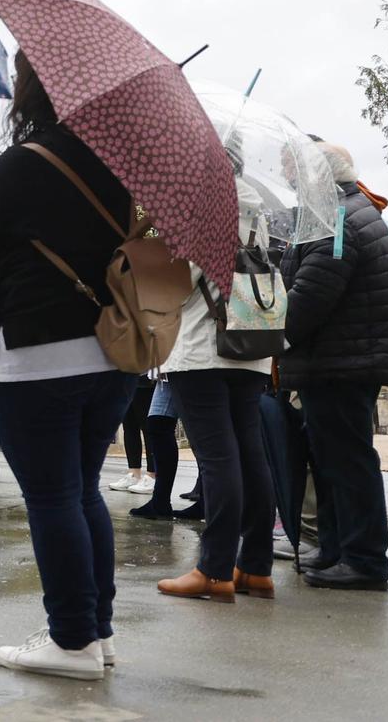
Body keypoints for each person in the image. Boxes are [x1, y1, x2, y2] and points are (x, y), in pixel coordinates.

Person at [0, 52, 137, 683]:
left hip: (35, 352)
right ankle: (95, 633)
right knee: (82, 491)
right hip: (111, 353)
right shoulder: (122, 167)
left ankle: (71, 639)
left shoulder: (28, 161)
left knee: (53, 497)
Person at [280, 142, 388, 592]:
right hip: (343, 358)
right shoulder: (347, 212)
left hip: (342, 361)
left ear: (317, 176)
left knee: (347, 463)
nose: (291, 183)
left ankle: (364, 559)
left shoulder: (337, 219)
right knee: (334, 461)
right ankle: (337, 550)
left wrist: (266, 328)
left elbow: (312, 295)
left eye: (294, 173)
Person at [152, 222, 279, 603]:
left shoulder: (207, 209)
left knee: (217, 459)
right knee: (250, 454)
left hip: (203, 350)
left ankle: (214, 569)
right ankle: (255, 567)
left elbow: (175, 284)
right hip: (250, 347)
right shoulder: (258, 217)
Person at [126, 380, 201, 521]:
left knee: (200, 428)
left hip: (188, 366)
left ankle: (208, 500)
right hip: (170, 369)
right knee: (158, 424)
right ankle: (160, 502)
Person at [107, 377, 156, 493]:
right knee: (129, 427)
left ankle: (152, 475)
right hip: (126, 379)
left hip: (147, 379)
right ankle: (134, 473)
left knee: (148, 427)